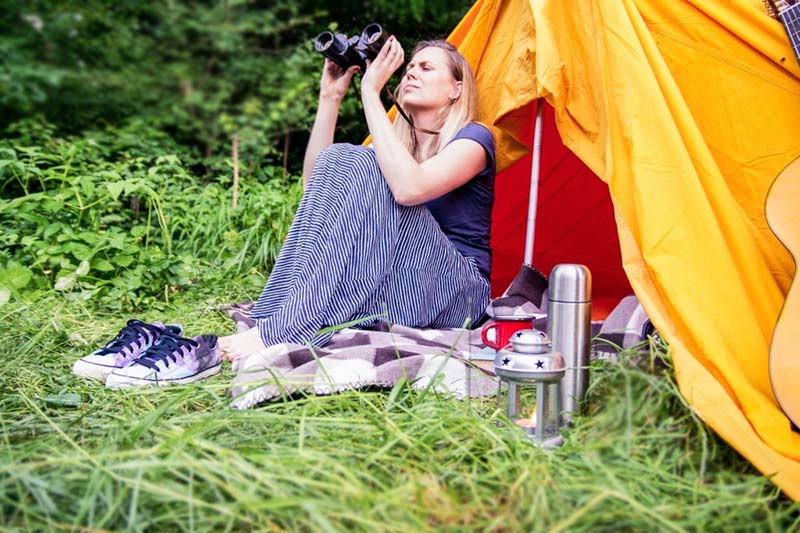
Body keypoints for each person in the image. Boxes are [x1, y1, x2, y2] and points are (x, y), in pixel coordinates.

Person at [218, 36, 495, 361]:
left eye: (426, 67)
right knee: (342, 158)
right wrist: (330, 97)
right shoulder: (397, 149)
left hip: (459, 293)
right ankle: (278, 314)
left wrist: (369, 92)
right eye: (409, 67)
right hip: (406, 283)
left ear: (455, 89)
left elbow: (411, 190)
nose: (411, 73)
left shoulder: (474, 139)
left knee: (363, 160)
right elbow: (317, 187)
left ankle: (285, 329)